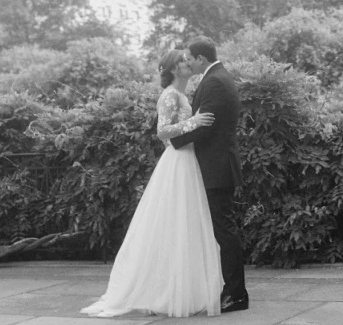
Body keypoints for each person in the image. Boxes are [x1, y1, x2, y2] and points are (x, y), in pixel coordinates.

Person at [80, 49, 223, 318]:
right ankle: (162, 291)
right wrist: (193, 121)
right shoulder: (169, 95)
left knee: (185, 224)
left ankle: (182, 288)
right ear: (172, 69)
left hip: (188, 160)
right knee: (172, 221)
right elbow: (162, 132)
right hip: (177, 162)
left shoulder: (181, 95)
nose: (187, 63)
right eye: (182, 61)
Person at [170, 37, 249, 313]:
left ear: (201, 58)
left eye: (190, 57)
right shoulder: (217, 76)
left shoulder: (215, 81)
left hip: (217, 166)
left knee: (225, 231)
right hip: (216, 164)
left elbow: (207, 127)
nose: (187, 62)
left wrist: (172, 141)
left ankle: (237, 294)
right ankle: (232, 290)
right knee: (223, 229)